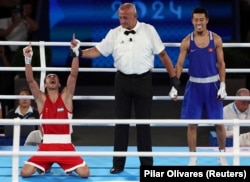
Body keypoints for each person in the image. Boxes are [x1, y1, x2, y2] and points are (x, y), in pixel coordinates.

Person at [72, 2, 179, 174]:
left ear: (135, 16)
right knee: (121, 123)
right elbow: (98, 50)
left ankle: (147, 166)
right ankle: (118, 164)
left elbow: (163, 54)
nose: (122, 21)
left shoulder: (149, 30)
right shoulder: (114, 33)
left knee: (143, 124)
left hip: (144, 81)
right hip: (122, 81)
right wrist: (80, 52)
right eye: (120, 17)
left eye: (125, 18)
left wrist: (173, 77)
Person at [20, 40, 90, 178]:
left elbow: (74, 75)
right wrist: (27, 59)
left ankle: (57, 165)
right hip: (46, 146)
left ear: (58, 84)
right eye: (49, 77)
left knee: (85, 173)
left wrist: (75, 54)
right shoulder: (41, 100)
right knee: (25, 172)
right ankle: (45, 165)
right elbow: (30, 81)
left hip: (65, 145)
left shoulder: (66, 97)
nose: (52, 77)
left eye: (54, 77)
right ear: (45, 84)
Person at [175, 7, 228, 166]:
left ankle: (222, 155)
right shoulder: (186, 41)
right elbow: (179, 64)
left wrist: (223, 84)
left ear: (206, 20)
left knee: (219, 123)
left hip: (213, 85)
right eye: (196, 20)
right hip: (194, 86)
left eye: (201, 20)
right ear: (192, 21)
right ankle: (192, 157)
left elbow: (221, 64)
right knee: (192, 124)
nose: (198, 23)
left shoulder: (216, 39)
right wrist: (174, 86)